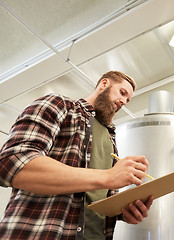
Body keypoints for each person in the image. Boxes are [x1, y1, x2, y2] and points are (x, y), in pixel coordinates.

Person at [0, 71, 154, 239]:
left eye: (127, 100)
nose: (123, 101)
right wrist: (108, 176)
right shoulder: (60, 105)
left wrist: (123, 211)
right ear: (104, 84)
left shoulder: (110, 139)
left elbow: (96, 196)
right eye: (122, 93)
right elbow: (12, 162)